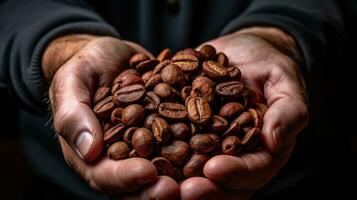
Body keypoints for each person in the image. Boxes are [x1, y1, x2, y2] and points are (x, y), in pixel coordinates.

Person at [0, 0, 352, 199]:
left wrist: (281, 34)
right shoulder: (136, 108)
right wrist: (60, 48)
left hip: (295, 181)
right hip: (65, 188)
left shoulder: (211, 107)